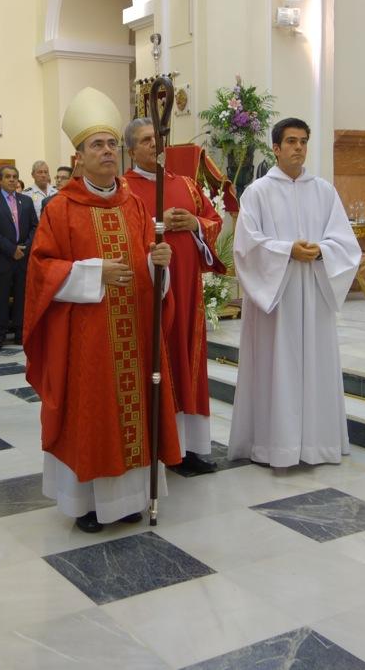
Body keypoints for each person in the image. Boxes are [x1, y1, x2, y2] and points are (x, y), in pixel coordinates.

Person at [25, 87, 181, 533]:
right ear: (79, 157)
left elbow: (148, 257)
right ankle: (89, 504)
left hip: (135, 327)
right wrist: (93, 274)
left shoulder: (135, 203)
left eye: (113, 144)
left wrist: (159, 266)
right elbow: (41, 270)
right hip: (87, 335)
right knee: (93, 416)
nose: (108, 151)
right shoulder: (61, 208)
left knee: (133, 411)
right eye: (98, 145)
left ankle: (131, 498)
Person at [228, 117, 361, 468]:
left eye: (303, 140)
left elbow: (345, 242)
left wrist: (320, 251)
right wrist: (288, 251)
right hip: (277, 296)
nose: (298, 147)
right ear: (276, 148)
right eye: (290, 141)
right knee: (276, 366)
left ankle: (317, 444)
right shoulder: (257, 193)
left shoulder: (323, 191)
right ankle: (274, 446)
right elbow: (245, 246)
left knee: (314, 365)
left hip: (314, 291)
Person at [123, 117, 225, 474]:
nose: (155, 144)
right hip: (152, 292)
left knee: (190, 363)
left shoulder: (185, 184)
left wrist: (195, 224)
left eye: (159, 138)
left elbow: (213, 221)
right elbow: (122, 233)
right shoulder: (123, 188)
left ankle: (192, 448)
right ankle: (161, 445)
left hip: (189, 289)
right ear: (132, 149)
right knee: (160, 362)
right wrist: (157, 224)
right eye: (146, 140)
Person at [0, 165, 38, 351]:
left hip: (23, 258)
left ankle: (20, 333)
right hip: (1, 258)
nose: (12, 180)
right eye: (8, 177)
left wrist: (25, 247)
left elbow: (34, 227)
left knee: (22, 298)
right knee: (0, 300)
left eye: (15, 176)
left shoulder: (27, 201)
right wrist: (11, 249)